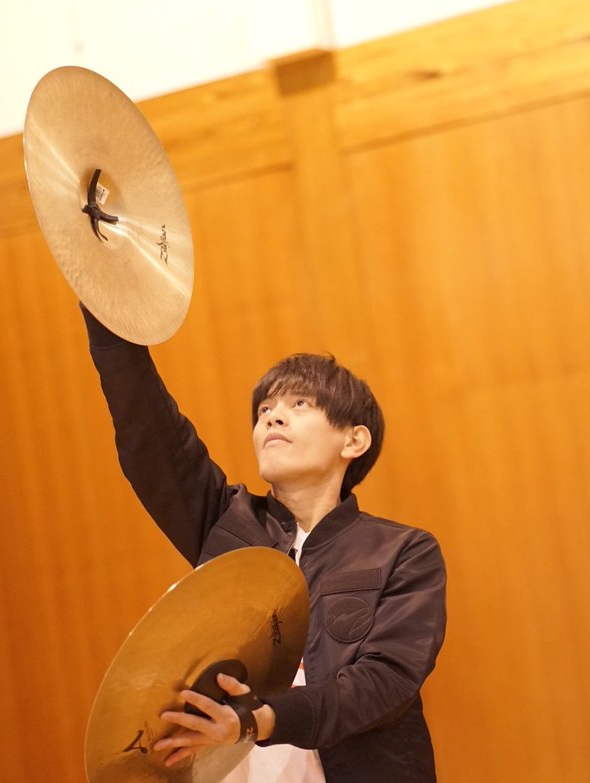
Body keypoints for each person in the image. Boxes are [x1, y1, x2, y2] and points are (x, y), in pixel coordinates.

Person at [81, 306, 448, 782]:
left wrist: (262, 720)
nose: (273, 418)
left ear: (354, 441)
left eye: (299, 405)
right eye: (264, 412)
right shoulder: (226, 523)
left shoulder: (403, 551)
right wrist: (108, 308)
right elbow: (152, 439)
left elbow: (385, 682)